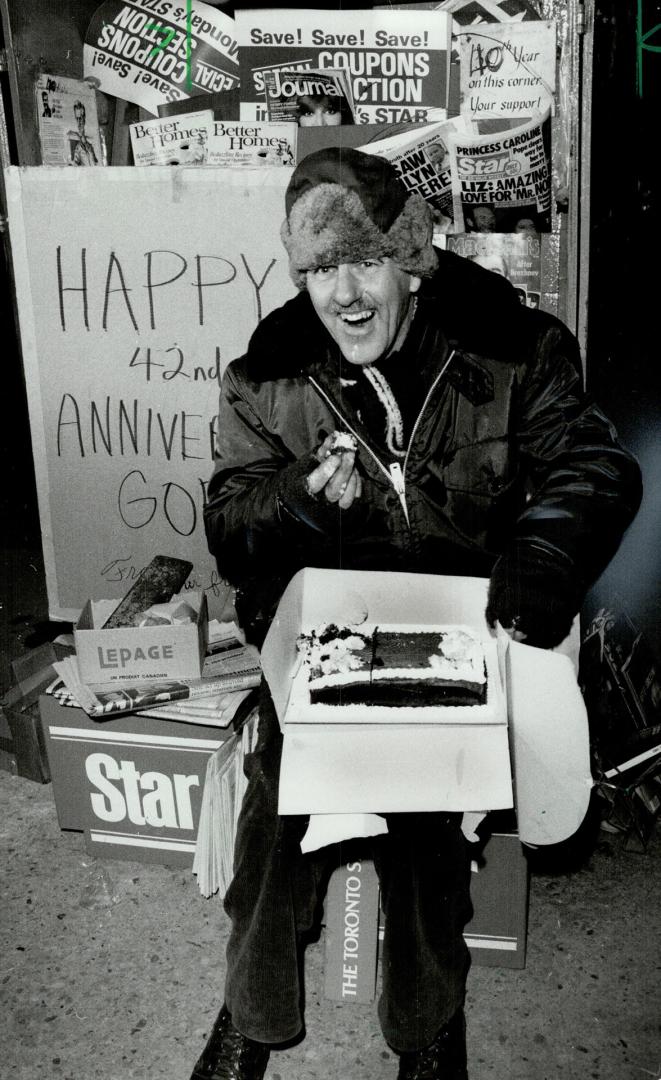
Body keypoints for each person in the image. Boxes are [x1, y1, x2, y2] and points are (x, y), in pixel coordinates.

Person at [196, 147, 642, 1080]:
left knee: (427, 833)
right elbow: (231, 524)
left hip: (459, 631)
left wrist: (541, 552)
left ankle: (427, 1030)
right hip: (324, 642)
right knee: (273, 820)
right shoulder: (267, 372)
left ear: (409, 260)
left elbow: (593, 465)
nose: (344, 294)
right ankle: (252, 1015)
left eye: (363, 261)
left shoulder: (514, 347)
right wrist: (298, 503)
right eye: (319, 268)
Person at [71, 101, 98, 166]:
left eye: (80, 118)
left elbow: (97, 162)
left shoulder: (92, 145)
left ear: (84, 119)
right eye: (77, 118)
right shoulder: (78, 150)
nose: (79, 122)